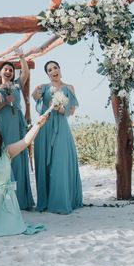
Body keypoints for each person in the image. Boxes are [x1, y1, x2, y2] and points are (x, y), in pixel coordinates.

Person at [32, 60, 83, 214]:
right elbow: (35, 98)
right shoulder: (44, 87)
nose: (53, 71)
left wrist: (61, 108)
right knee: (44, 163)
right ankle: (46, 201)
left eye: (55, 68)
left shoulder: (69, 88)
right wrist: (36, 93)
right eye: (49, 70)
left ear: (60, 69)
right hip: (45, 127)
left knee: (60, 163)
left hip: (61, 127)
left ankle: (61, 201)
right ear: (47, 74)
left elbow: (71, 111)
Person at [0, 47, 35, 210]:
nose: (8, 71)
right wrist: (4, 101)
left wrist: (22, 57)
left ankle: (21, 199)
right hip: (2, 124)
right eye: (6, 69)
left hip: (17, 123)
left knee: (18, 156)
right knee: (4, 156)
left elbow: (25, 73)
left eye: (11, 70)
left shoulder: (17, 85)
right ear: (0, 72)